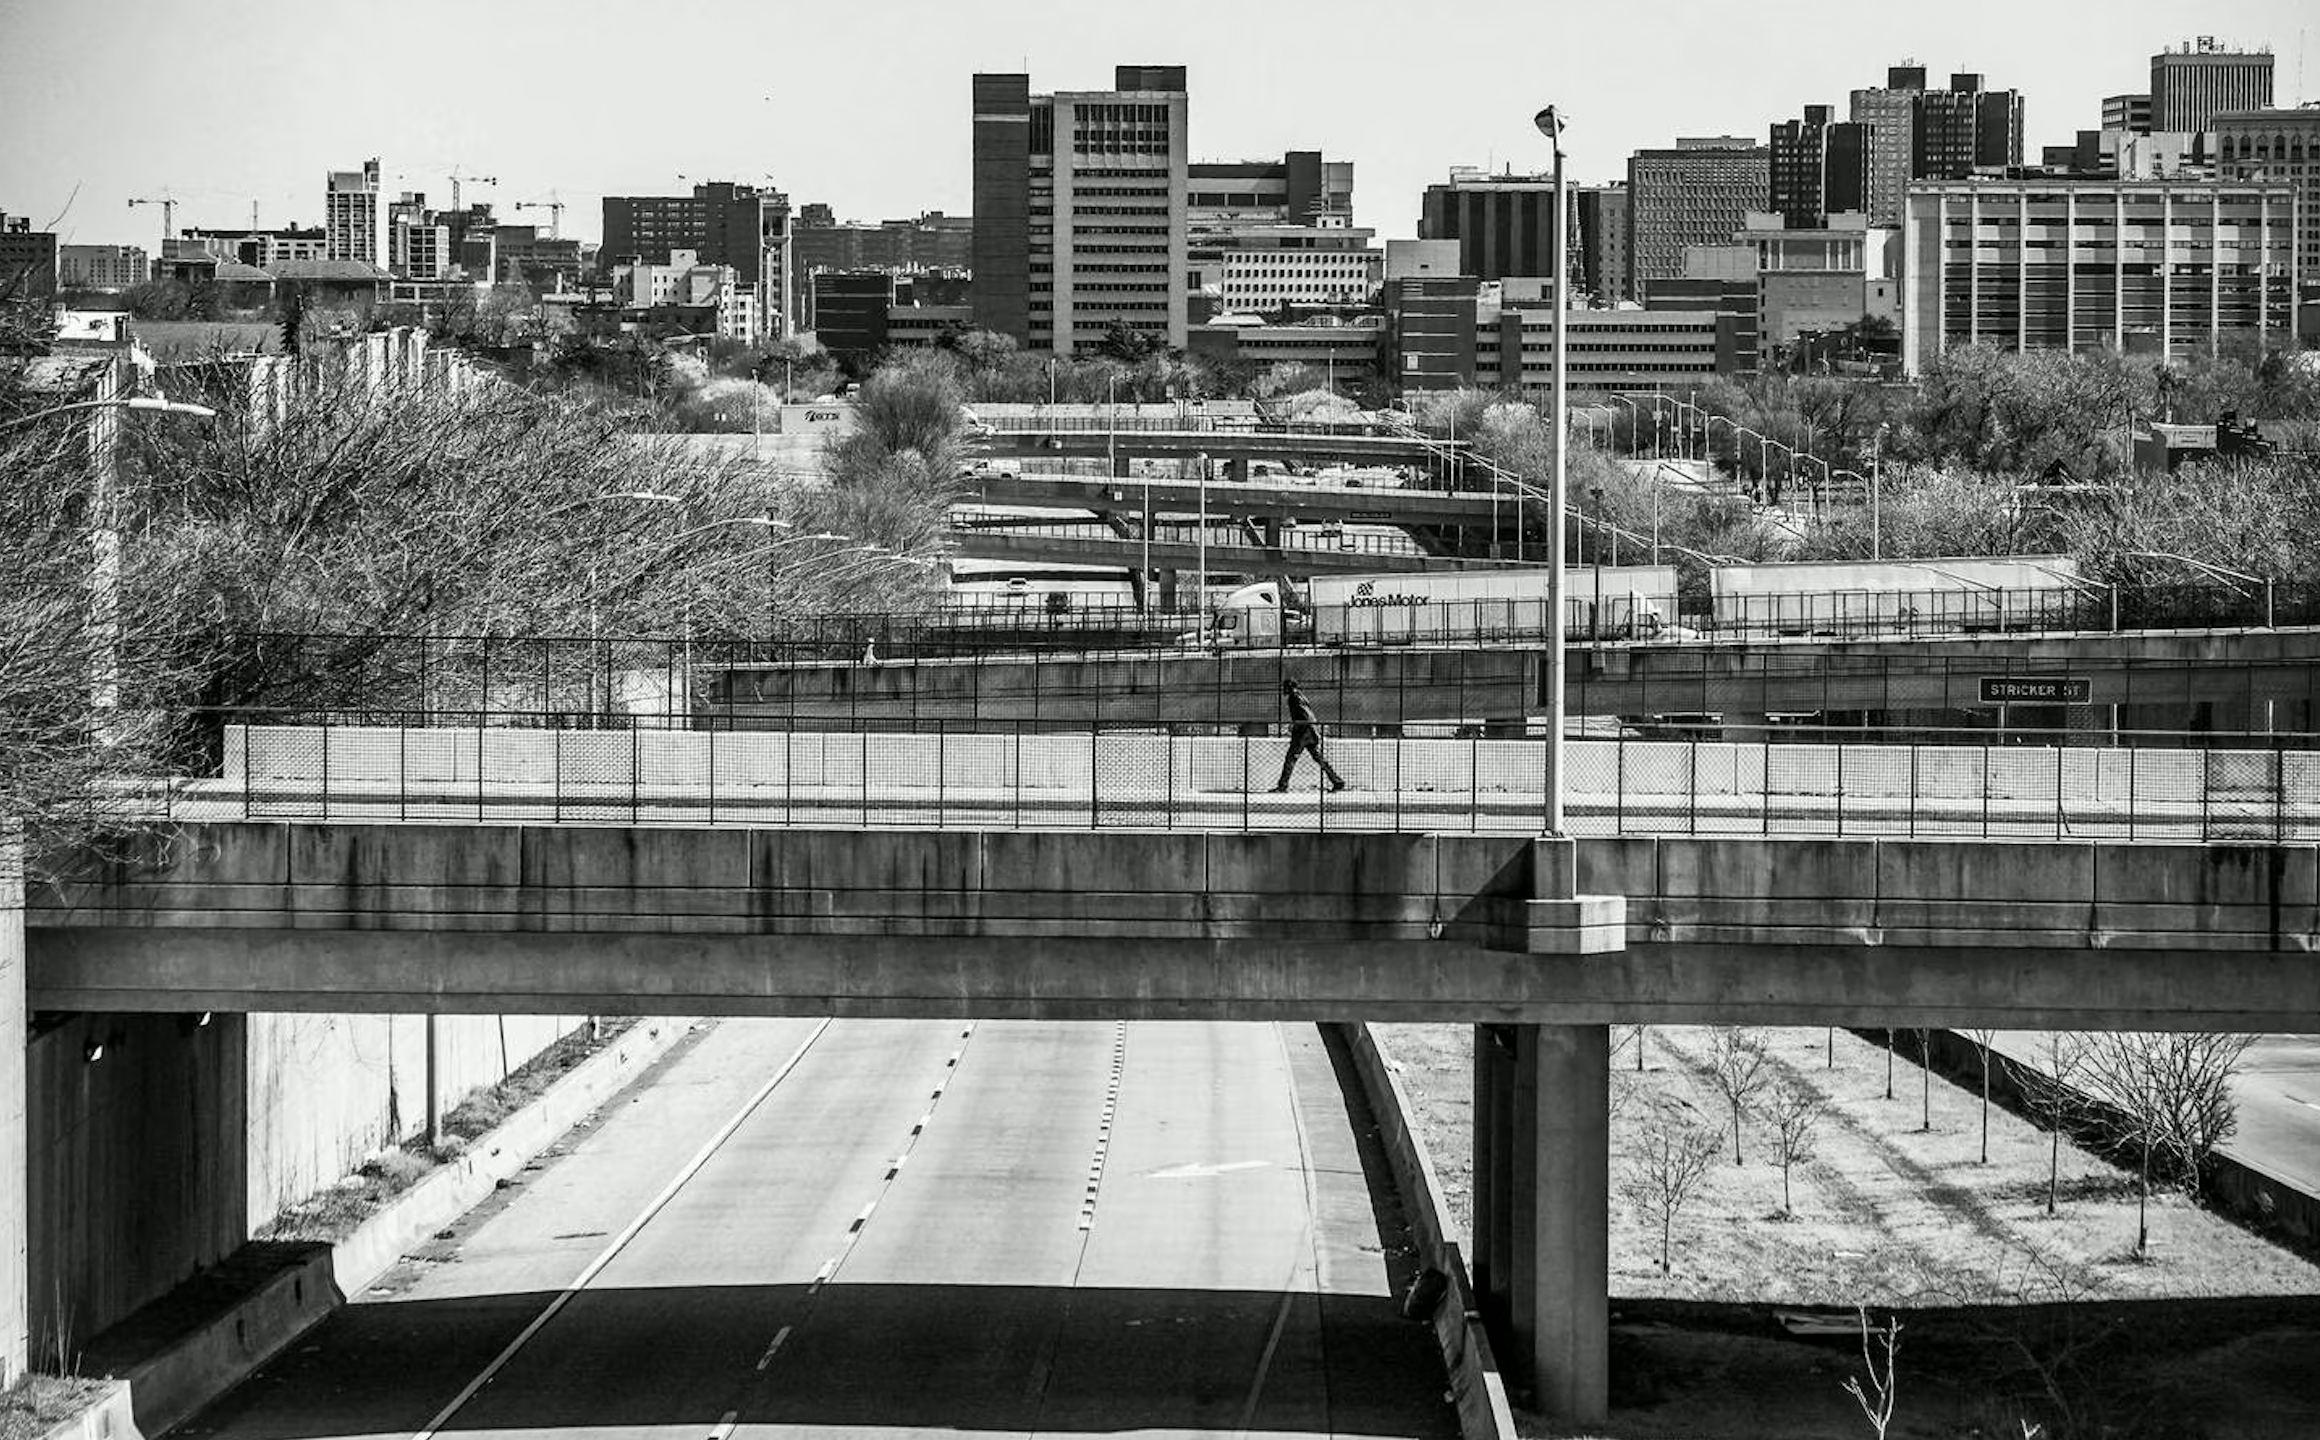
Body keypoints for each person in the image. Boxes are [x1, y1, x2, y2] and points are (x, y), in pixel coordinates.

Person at [1271, 677, 1346, 792]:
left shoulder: (1294, 697)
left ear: (1290, 687)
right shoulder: (1300, 696)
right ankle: (1337, 781)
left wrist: (1295, 725)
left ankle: (1283, 785)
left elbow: (1305, 715)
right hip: (1309, 731)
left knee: (1291, 758)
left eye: (1285, 687)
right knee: (1319, 758)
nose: (1283, 690)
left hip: (1303, 732)